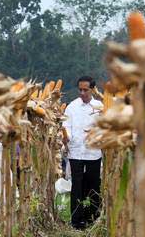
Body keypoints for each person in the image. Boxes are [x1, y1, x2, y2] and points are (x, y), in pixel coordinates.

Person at [62, 75, 103, 230]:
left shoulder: (99, 107)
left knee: (93, 186)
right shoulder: (72, 107)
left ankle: (92, 217)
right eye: (80, 89)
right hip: (76, 153)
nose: (82, 92)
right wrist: (66, 139)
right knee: (77, 187)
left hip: (93, 153)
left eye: (85, 90)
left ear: (92, 89)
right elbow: (67, 127)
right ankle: (76, 221)